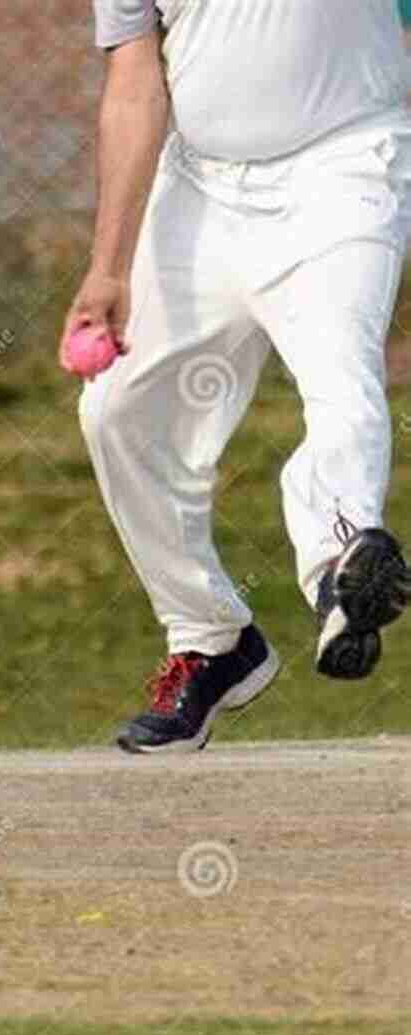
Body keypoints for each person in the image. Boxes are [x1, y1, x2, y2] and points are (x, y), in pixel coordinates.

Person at [65, 0, 411, 753]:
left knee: (339, 367)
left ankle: (342, 565)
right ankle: (212, 639)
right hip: (199, 190)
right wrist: (108, 269)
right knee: (115, 413)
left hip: (343, 168)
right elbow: (134, 85)